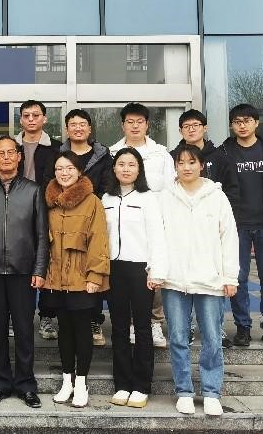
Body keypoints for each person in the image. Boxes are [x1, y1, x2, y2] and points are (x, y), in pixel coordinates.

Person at [158, 144, 239, 416]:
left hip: (209, 279)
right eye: (181, 163)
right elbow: (157, 237)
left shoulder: (217, 196)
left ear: (201, 165)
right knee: (178, 337)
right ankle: (183, 390)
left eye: (192, 162)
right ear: (175, 167)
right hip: (174, 279)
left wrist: (230, 276)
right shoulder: (165, 197)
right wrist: (157, 271)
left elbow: (229, 237)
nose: (186, 167)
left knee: (213, 337)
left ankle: (212, 391)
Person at [0, 135, 49, 409]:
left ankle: (26, 384)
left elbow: (42, 234)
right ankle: (0, 384)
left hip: (24, 272)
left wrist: (39, 268)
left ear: (19, 157)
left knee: (25, 330)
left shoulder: (33, 190)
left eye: (10, 152)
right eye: (0, 153)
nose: (5, 157)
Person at [217, 103, 263, 350]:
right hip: (236, 225)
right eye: (237, 121)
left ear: (256, 123)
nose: (242, 125)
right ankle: (243, 327)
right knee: (238, 278)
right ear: (231, 125)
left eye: (247, 120)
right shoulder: (225, 152)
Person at [40, 152, 109, 409]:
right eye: (59, 168)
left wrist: (95, 275)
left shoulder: (92, 202)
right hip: (56, 277)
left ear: (79, 171)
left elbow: (99, 240)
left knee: (82, 330)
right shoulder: (49, 201)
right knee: (65, 330)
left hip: (82, 277)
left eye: (69, 168)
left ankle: (82, 382)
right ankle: (67, 379)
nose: (64, 173)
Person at [102, 147, 167, 410]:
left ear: (139, 169)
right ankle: (122, 382)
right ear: (114, 168)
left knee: (141, 327)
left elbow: (157, 237)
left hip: (141, 269)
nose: (126, 169)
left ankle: (141, 385)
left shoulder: (148, 198)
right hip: (114, 269)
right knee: (118, 327)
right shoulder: (106, 197)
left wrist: (156, 271)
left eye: (131, 164)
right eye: (121, 164)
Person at [170, 109, 239, 349]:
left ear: (204, 128)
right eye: (186, 126)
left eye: (196, 125)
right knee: (181, 284)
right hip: (182, 234)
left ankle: (217, 329)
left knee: (214, 282)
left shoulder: (220, 156)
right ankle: (187, 328)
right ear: (180, 130)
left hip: (211, 228)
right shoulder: (172, 157)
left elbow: (232, 189)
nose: (191, 129)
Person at [109, 102, 175, 349]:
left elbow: (170, 188)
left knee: (153, 273)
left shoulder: (161, 154)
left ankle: (155, 322)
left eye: (140, 122)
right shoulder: (112, 152)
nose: (135, 126)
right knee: (125, 280)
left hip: (155, 222)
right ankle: (129, 324)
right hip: (123, 225)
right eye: (130, 122)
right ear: (123, 125)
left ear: (147, 125)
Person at [60, 108, 114, 345]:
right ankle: (61, 320)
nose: (78, 128)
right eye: (73, 124)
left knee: (93, 267)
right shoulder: (59, 154)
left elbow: (107, 185)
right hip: (63, 217)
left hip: (93, 216)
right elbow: (51, 183)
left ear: (90, 128)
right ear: (67, 129)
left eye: (82, 124)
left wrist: (89, 207)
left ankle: (94, 319)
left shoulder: (103, 156)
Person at [15, 100, 62, 341]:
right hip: (15, 213)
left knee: (47, 262)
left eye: (36, 115)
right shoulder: (11, 146)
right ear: (20, 119)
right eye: (26, 115)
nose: (31, 119)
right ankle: (17, 316)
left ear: (45, 118)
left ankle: (46, 316)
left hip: (46, 211)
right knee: (17, 262)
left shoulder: (57, 148)